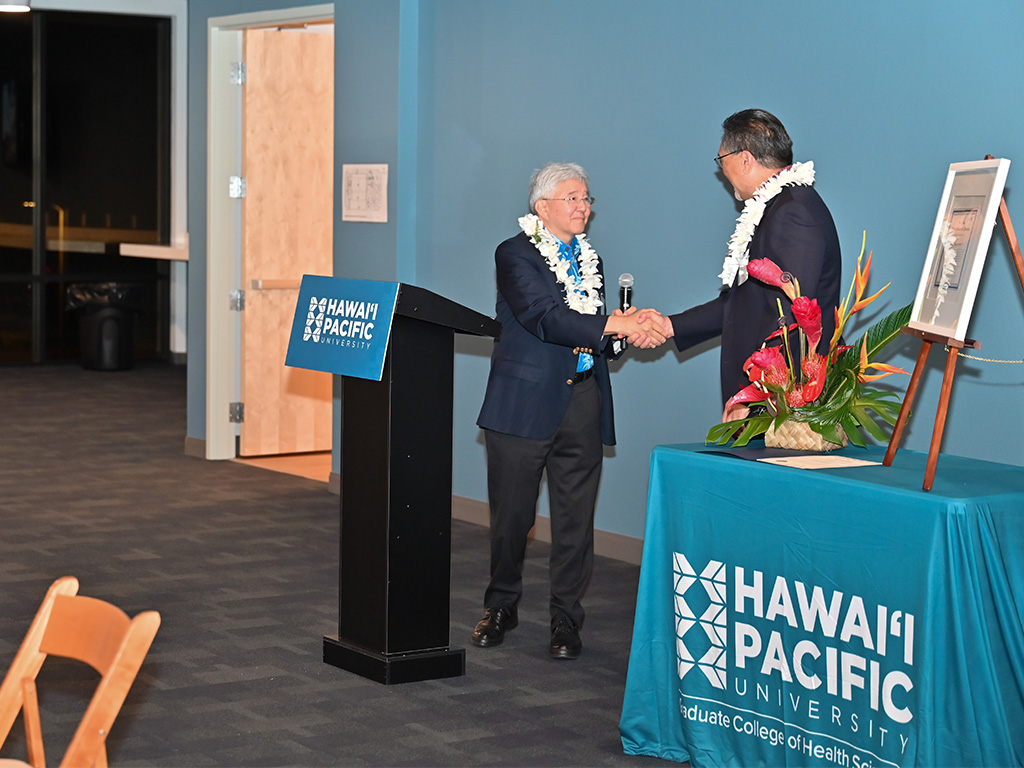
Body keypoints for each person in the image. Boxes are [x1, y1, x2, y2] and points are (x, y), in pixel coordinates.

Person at [473, 162, 664, 660]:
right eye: (573, 198)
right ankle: (501, 605)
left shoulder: (590, 259)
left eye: (587, 198)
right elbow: (545, 318)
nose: (584, 207)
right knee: (512, 518)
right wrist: (614, 325)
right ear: (543, 207)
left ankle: (565, 617)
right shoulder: (513, 254)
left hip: (582, 397)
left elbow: (593, 327)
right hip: (523, 405)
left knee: (575, 519)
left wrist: (621, 336)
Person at [640, 109, 842, 418]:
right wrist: (670, 326)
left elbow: (789, 316)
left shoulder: (793, 213)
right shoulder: (779, 207)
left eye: (721, 159)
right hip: (775, 399)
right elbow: (745, 302)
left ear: (745, 159)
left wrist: (758, 396)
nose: (721, 169)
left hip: (787, 404)